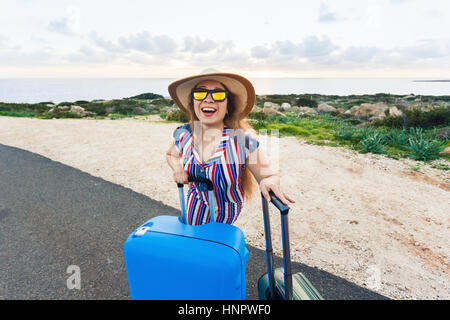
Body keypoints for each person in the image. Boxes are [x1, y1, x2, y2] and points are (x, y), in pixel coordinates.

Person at [166, 71, 294, 225]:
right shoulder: (184, 134)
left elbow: (268, 175)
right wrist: (178, 168)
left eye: (218, 94)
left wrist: (269, 181)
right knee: (193, 245)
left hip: (224, 214)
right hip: (194, 204)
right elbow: (170, 154)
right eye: (200, 93)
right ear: (193, 103)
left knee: (215, 247)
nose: (208, 99)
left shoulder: (243, 141)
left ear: (228, 106)